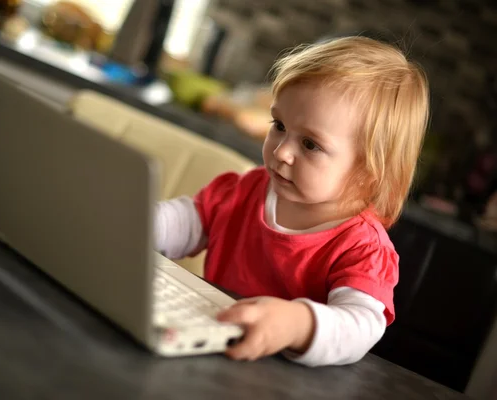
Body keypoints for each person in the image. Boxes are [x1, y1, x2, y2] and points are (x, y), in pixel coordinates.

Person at [155, 36, 429, 366]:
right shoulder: (246, 190)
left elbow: (360, 326)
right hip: (206, 353)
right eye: (279, 125)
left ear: (368, 171)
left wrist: (297, 324)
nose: (282, 151)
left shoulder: (362, 248)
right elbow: (180, 223)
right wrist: (127, 219)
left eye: (311, 144)